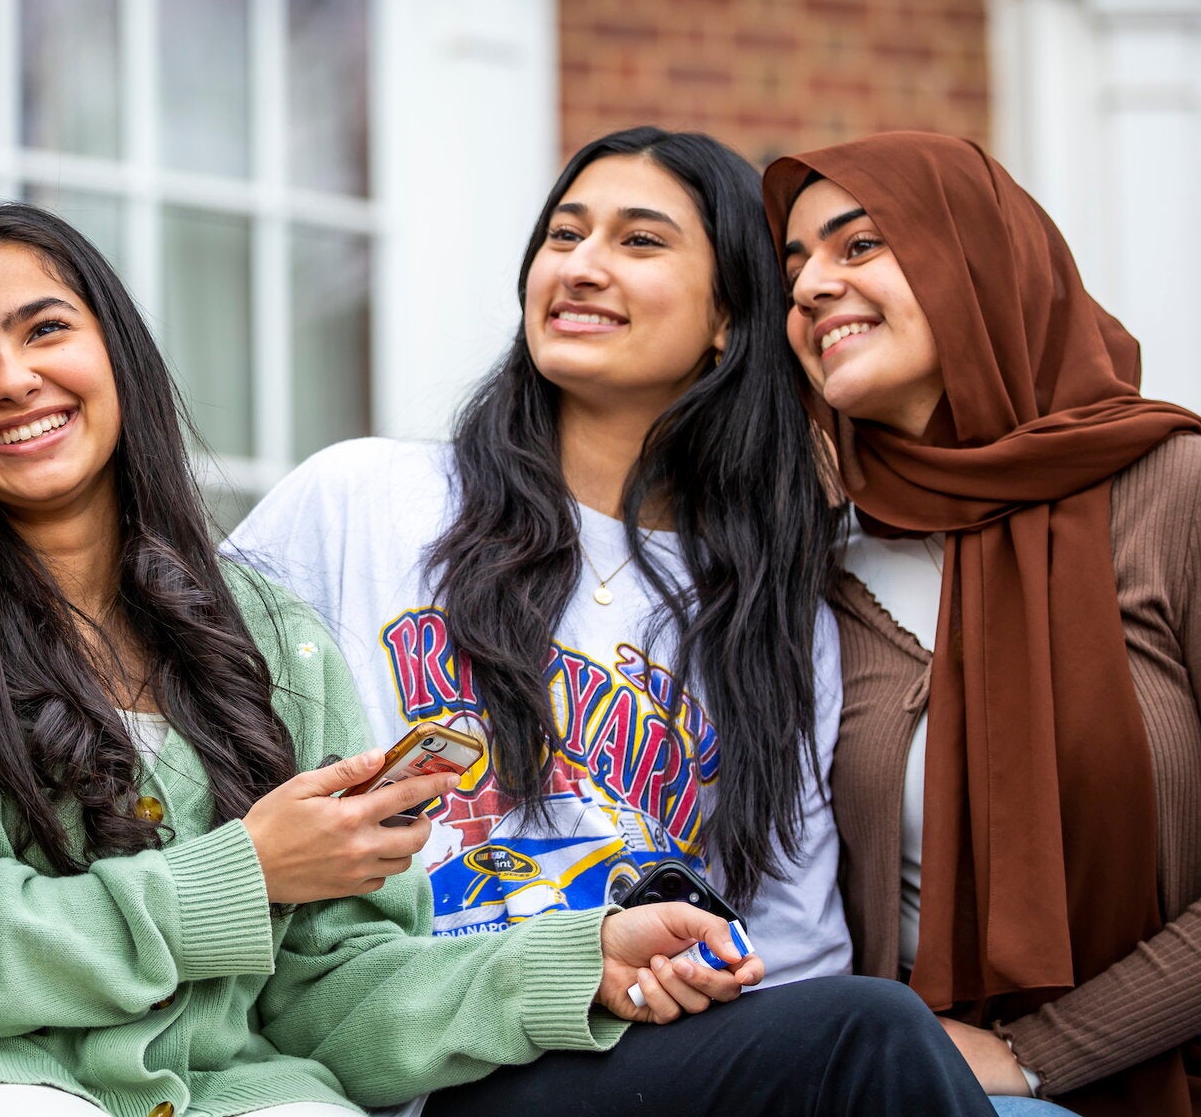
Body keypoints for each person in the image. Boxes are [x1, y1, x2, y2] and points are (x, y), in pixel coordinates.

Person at [0, 200, 996, 1117]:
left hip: (250, 1090)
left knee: (865, 1027)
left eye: (44, 329)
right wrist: (247, 873)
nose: (13, 377)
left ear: (117, 354)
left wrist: (577, 961)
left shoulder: (264, 634)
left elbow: (338, 990)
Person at [229, 127, 851, 984]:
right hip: (401, 1039)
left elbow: (795, 947)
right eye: (564, 234)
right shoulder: (362, 499)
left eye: (638, 240)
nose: (581, 265)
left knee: (877, 1034)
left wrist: (709, 979)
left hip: (642, 1058)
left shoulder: (771, 616)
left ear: (729, 316)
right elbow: (170, 719)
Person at [770, 131, 1201, 1116]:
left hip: (1192, 1077)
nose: (806, 288)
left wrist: (1033, 1056)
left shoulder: (1178, 487)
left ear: (974, 260)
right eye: (793, 267)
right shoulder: (815, 570)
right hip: (905, 1087)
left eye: (858, 245)